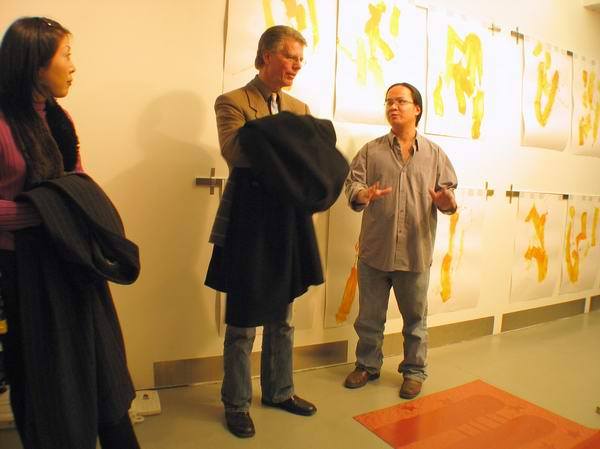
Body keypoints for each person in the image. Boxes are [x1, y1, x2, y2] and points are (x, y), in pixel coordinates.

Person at [0, 17, 141, 448]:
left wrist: (68, 211)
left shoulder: (60, 118)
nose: (73, 66)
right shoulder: (2, 123)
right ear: (35, 63)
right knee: (44, 376)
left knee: (101, 363)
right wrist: (49, 212)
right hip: (21, 272)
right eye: (66, 55)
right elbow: (61, 198)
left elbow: (74, 178)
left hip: (72, 259)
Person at [205, 25, 348, 438]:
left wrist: (275, 141)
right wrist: (293, 141)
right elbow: (237, 151)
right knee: (242, 320)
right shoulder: (233, 101)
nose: (296, 66)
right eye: (290, 57)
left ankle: (279, 391)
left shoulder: (299, 107)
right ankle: (236, 403)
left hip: (287, 222)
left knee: (283, 316)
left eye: (301, 60)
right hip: (248, 223)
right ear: (266, 55)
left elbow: (311, 163)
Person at [343, 82, 458, 399]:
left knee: (415, 321)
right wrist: (363, 194)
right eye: (388, 102)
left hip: (415, 252)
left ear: (417, 109)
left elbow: (449, 198)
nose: (393, 107)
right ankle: (367, 365)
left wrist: (446, 202)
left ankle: (414, 372)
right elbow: (353, 185)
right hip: (374, 251)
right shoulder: (371, 151)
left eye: (400, 101)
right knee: (369, 318)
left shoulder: (435, 154)